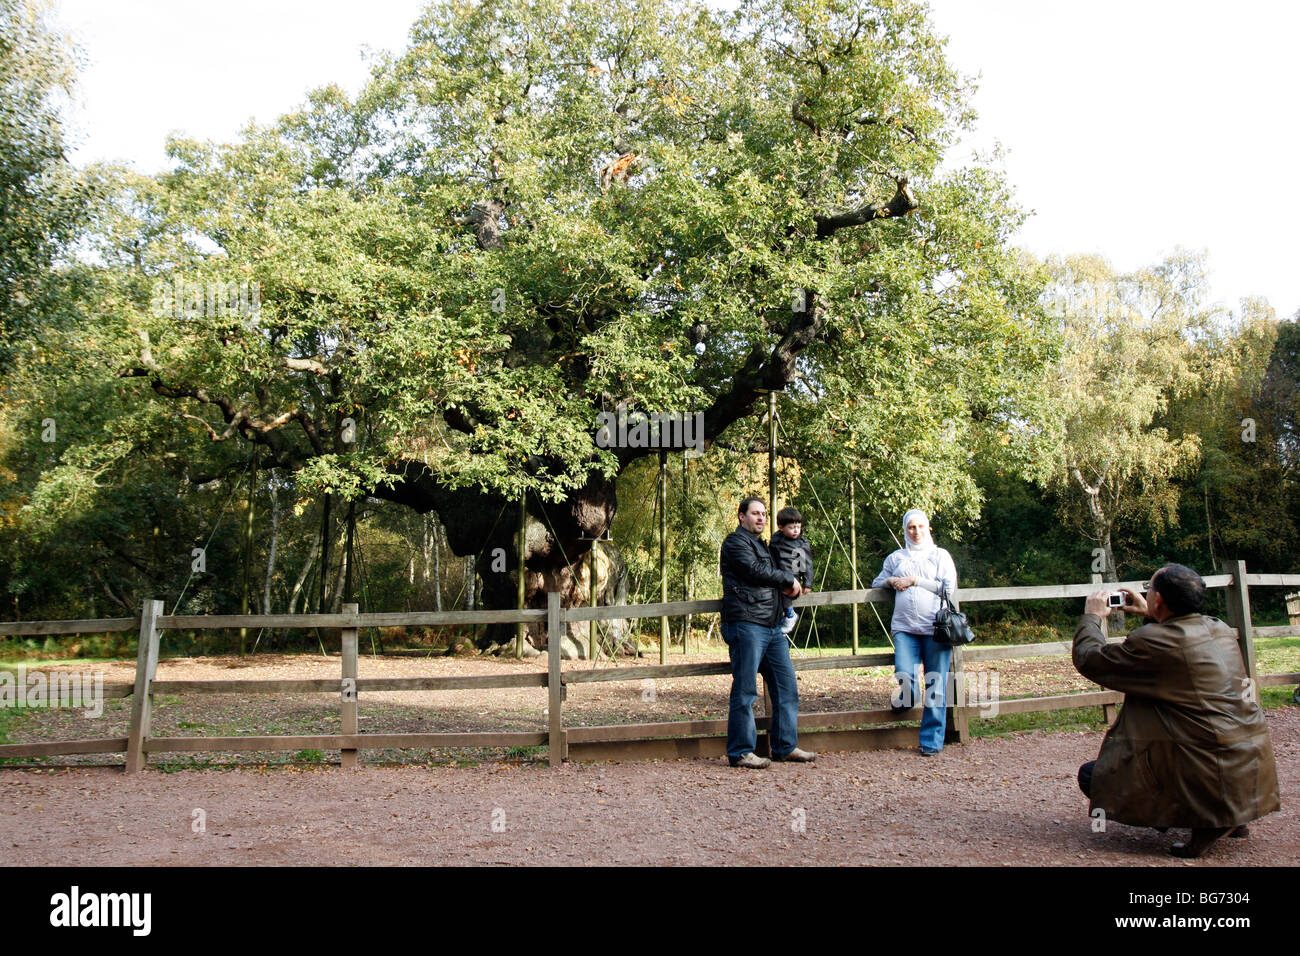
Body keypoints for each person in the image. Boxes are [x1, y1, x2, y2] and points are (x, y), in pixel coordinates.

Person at [1074, 563, 1281, 858]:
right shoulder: (1218, 628)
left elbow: (1090, 659)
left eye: (1151, 590)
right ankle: (1233, 813)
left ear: (1159, 600)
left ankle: (1207, 820)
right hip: (1246, 765)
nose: (1148, 594)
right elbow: (1178, 646)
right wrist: (1151, 614)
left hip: (1208, 765)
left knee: (1092, 777)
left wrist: (1092, 617)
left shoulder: (1157, 642)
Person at [719, 497, 816, 768]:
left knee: (787, 687)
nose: (761, 518)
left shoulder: (764, 544)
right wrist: (787, 580)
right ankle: (740, 751)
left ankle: (785, 746)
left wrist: (801, 580)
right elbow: (753, 570)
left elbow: (780, 567)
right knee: (746, 690)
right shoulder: (735, 542)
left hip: (771, 627)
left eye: (763, 514)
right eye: (755, 513)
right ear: (741, 516)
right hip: (746, 624)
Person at [871, 509, 958, 755]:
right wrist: (891, 581)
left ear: (928, 528)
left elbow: (948, 587)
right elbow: (877, 582)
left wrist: (914, 581)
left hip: (936, 628)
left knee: (936, 684)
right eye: (911, 527)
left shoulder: (939, 555)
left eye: (920, 526)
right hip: (905, 628)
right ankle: (908, 699)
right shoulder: (896, 558)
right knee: (905, 673)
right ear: (905, 530)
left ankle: (931, 741)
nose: (916, 531)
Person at [770, 506, 814, 637]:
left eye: (798, 527)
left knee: (785, 593)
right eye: (791, 527)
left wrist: (807, 583)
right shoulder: (776, 540)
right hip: (778, 573)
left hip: (792, 575)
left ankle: (790, 615)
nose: (796, 530)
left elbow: (805, 564)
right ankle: (781, 619)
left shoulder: (800, 544)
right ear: (781, 527)